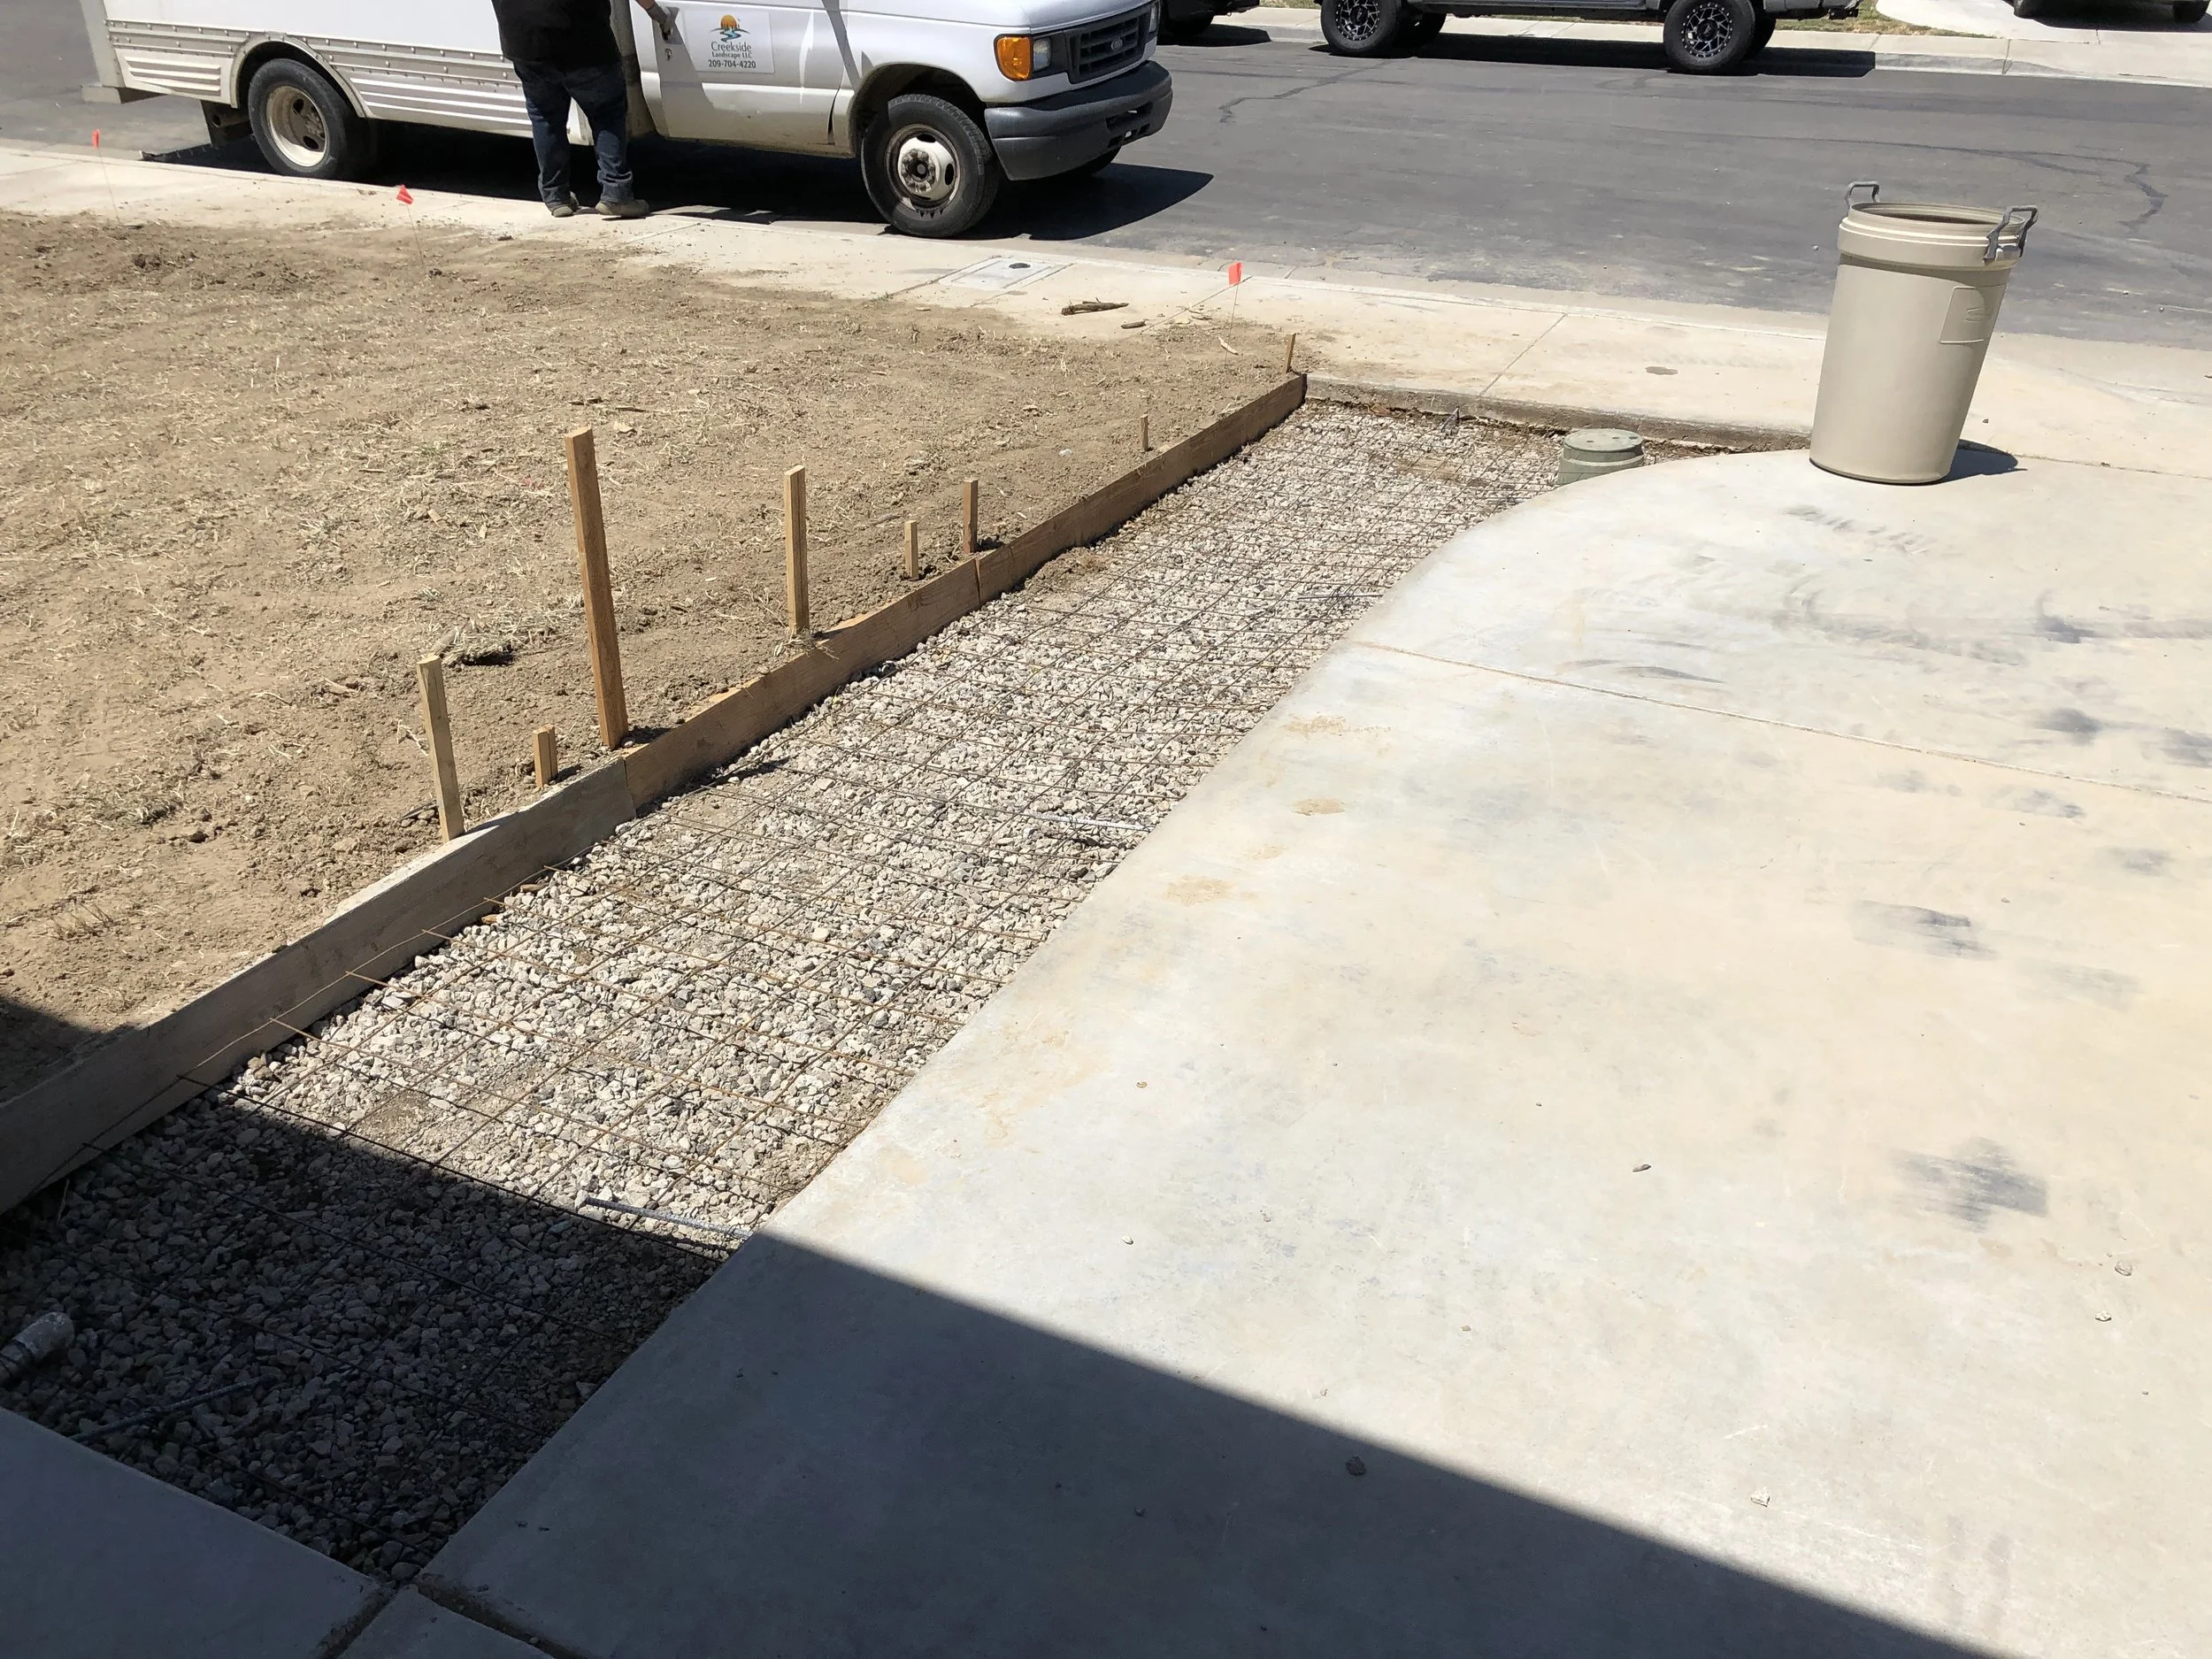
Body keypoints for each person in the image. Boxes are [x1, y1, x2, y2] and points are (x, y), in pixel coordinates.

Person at [491, 0, 679, 218]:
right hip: (584, 44)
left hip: (524, 43)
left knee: (546, 117)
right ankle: (616, 193)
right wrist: (658, 14)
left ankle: (556, 196)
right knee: (607, 114)